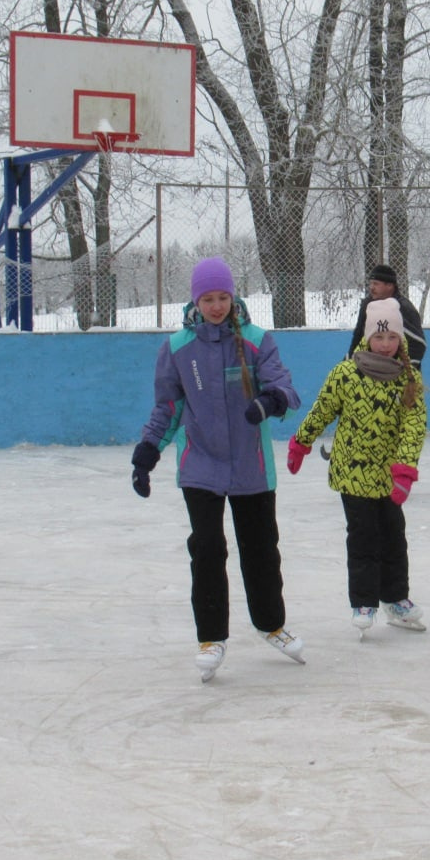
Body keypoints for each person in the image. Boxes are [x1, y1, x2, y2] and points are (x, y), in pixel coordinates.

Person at [132, 257, 305, 682]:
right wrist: (147, 451)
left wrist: (270, 401)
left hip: (251, 466)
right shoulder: (177, 348)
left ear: (234, 296)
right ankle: (210, 637)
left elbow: (284, 386)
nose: (215, 306)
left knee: (261, 549)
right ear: (195, 300)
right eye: (207, 298)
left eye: (222, 297)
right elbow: (168, 407)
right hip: (201, 465)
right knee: (207, 549)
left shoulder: (256, 340)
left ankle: (271, 625)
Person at [289, 298, 428, 636]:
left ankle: (395, 599)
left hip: (388, 477)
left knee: (394, 538)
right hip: (352, 474)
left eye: (391, 338)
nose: (385, 345)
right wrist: (302, 441)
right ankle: (363, 601)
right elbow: (323, 410)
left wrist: (405, 468)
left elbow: (414, 426)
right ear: (367, 338)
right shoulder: (345, 374)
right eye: (378, 338)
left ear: (400, 340)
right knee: (363, 538)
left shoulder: (408, 379)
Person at [348, 264, 427, 368]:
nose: (371, 287)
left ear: (390, 286)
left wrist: (402, 370)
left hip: (398, 374)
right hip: (369, 372)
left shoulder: (402, 308)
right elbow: (358, 338)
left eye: (376, 284)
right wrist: (349, 362)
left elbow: (418, 345)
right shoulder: (368, 305)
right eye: (371, 283)